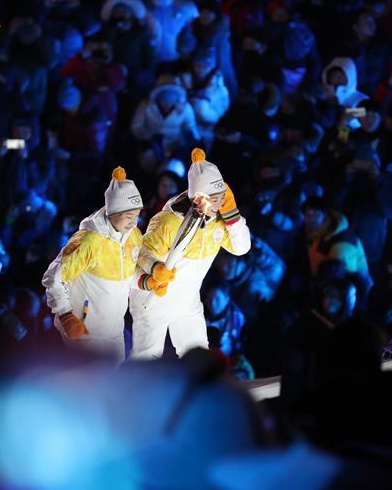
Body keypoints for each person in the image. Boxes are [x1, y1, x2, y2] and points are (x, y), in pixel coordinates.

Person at [129, 148, 251, 360]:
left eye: (223, 198)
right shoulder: (169, 222)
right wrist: (155, 269)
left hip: (188, 302)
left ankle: (200, 381)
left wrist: (232, 216)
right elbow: (141, 254)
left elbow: (241, 248)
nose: (219, 204)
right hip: (154, 299)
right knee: (147, 358)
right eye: (214, 199)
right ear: (198, 197)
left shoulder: (218, 223)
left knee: (198, 356)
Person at [42, 167, 158, 362]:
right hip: (84, 331)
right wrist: (65, 315)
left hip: (114, 330)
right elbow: (53, 277)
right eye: (129, 216)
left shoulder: (133, 236)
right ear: (113, 213)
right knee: (89, 381)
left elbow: (124, 276)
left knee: (115, 379)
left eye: (136, 215)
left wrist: (145, 282)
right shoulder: (90, 242)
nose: (133, 222)